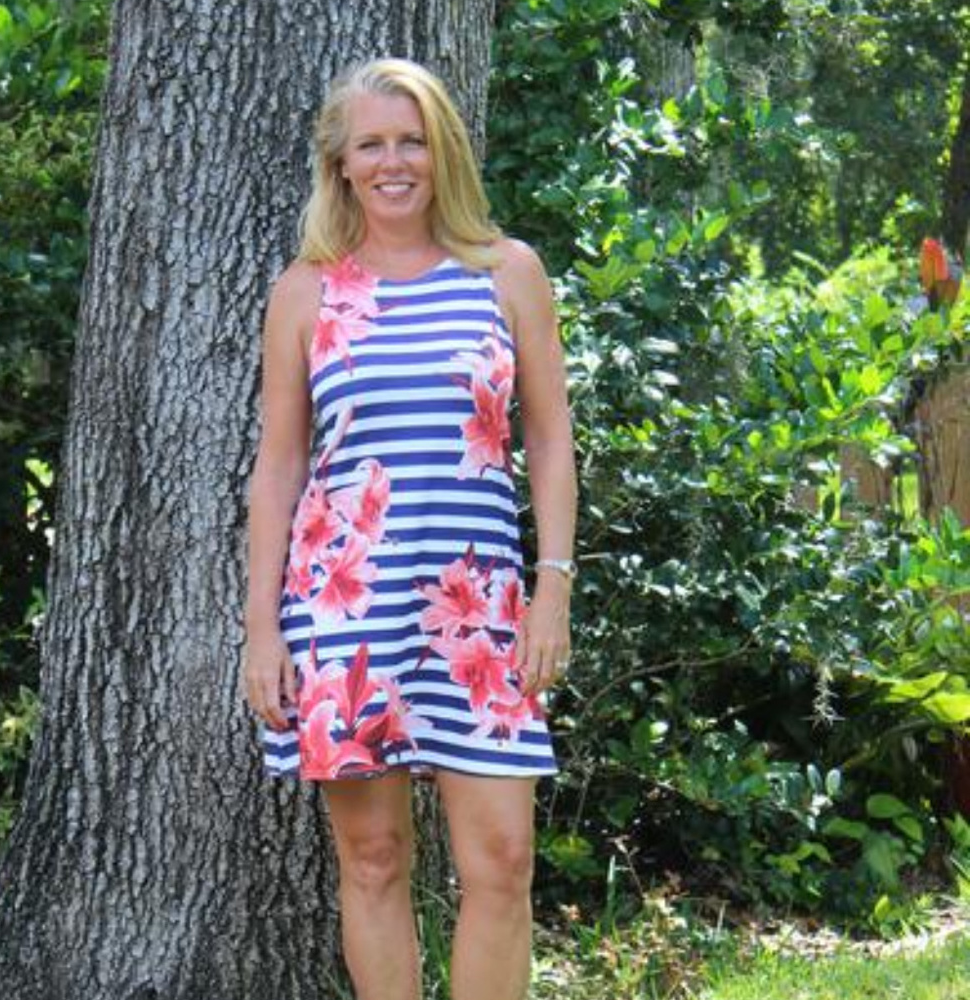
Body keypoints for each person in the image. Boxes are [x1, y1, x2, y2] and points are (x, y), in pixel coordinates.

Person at [240, 57, 577, 1000]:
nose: (394, 162)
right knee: (375, 858)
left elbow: (551, 438)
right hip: (346, 611)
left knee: (503, 860)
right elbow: (279, 466)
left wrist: (552, 589)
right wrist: (261, 630)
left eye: (413, 141)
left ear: (443, 153)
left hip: (481, 614)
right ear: (341, 164)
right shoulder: (306, 291)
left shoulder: (507, 273)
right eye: (372, 145)